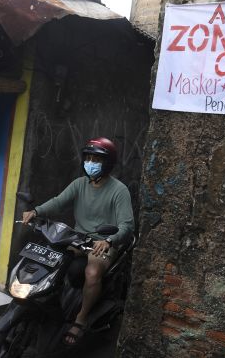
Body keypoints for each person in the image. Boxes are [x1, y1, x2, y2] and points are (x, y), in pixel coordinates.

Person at [22, 137, 134, 346]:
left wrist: (109, 240)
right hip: (78, 238)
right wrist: (36, 211)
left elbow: (127, 226)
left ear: (107, 163)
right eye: (88, 158)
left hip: (102, 243)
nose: (90, 163)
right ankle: (51, 303)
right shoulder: (80, 184)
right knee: (51, 259)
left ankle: (81, 318)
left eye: (96, 159)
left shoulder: (119, 190)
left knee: (92, 273)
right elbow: (58, 201)